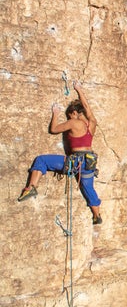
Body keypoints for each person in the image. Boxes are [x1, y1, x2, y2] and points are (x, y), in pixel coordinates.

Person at [18, 81, 102, 224]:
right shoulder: (92, 123)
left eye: (70, 115)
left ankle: (31, 188)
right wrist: (79, 90)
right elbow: (87, 107)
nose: (69, 117)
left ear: (74, 113)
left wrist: (55, 113)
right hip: (89, 163)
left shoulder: (74, 122)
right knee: (88, 188)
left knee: (41, 160)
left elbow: (54, 129)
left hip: (75, 161)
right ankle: (97, 215)